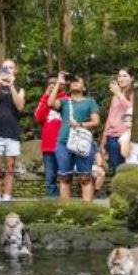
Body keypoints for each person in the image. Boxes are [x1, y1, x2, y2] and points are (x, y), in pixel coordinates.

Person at [0, 58, 27, 201]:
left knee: (10, 167)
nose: (8, 70)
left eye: (11, 67)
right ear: (0, 70)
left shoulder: (19, 88)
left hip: (12, 133)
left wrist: (11, 85)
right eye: (4, 68)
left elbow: (20, 106)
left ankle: (7, 197)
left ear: (15, 70)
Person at [54, 74, 101, 202]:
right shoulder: (64, 101)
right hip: (63, 142)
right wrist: (58, 83)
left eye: (78, 81)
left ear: (84, 88)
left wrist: (80, 124)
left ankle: (86, 212)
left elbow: (96, 122)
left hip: (83, 142)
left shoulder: (90, 101)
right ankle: (65, 211)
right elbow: (50, 103)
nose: (74, 83)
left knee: (85, 177)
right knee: (65, 178)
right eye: (73, 82)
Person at [35, 72, 68, 195]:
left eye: (56, 83)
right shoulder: (45, 99)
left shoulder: (66, 99)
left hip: (62, 144)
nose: (53, 85)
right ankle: (52, 204)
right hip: (48, 145)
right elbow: (38, 118)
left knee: (65, 176)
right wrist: (45, 96)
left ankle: (64, 204)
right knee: (50, 178)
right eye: (50, 83)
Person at [103, 67, 135, 173]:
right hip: (112, 137)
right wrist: (103, 139)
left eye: (125, 76)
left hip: (127, 137)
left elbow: (132, 110)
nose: (121, 79)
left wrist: (119, 94)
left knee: (129, 170)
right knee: (117, 170)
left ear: (132, 78)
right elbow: (110, 118)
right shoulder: (115, 97)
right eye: (119, 76)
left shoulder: (135, 94)